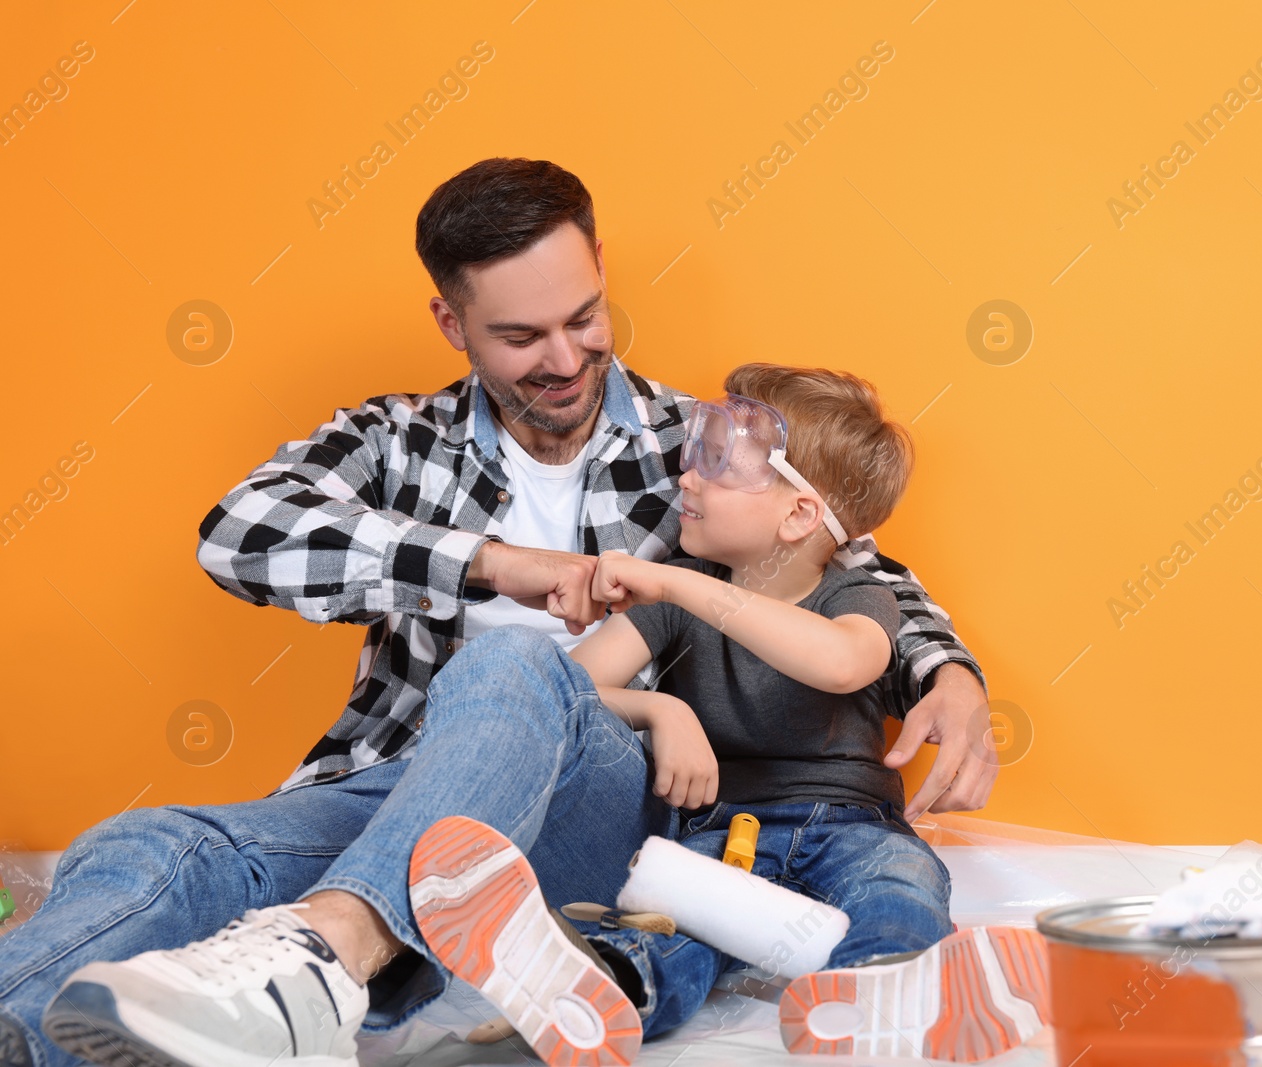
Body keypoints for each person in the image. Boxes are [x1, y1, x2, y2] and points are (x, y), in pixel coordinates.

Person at [0, 158, 994, 1067]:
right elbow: (240, 532)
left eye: (584, 316)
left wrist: (948, 674)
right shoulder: (395, 441)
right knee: (151, 845)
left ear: (600, 270)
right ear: (451, 321)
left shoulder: (689, 447)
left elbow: (852, 564)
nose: (563, 356)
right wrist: (490, 563)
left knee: (516, 665)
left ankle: (324, 965)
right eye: (520, 336)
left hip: (604, 803)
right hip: (411, 785)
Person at [406, 363, 1050, 1063]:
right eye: (694, 454)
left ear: (799, 514)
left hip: (851, 826)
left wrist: (676, 582)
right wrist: (659, 709)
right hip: (721, 830)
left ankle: (881, 992)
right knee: (672, 925)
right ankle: (601, 992)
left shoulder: (859, 596)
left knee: (904, 881)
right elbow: (569, 691)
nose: (687, 477)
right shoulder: (673, 601)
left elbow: (841, 661)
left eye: (718, 463)